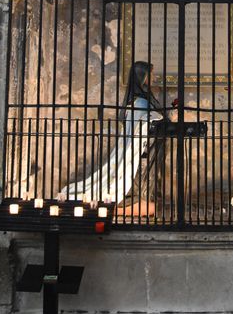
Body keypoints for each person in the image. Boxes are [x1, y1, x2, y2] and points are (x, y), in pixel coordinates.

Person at [64, 61, 164, 216]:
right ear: (142, 76)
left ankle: (136, 199)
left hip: (144, 147)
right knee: (135, 178)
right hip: (138, 149)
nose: (153, 77)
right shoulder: (141, 102)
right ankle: (129, 200)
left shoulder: (142, 99)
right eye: (150, 74)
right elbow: (143, 125)